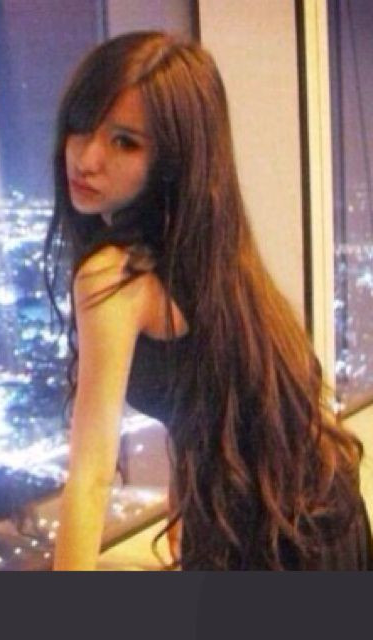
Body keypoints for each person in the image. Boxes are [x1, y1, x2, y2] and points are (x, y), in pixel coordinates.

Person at [44, 31, 373, 570]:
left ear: (173, 158)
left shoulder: (112, 276)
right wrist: (186, 495)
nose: (86, 158)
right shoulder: (211, 250)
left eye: (125, 142)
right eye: (82, 127)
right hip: (323, 514)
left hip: (265, 539)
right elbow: (213, 389)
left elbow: (91, 477)